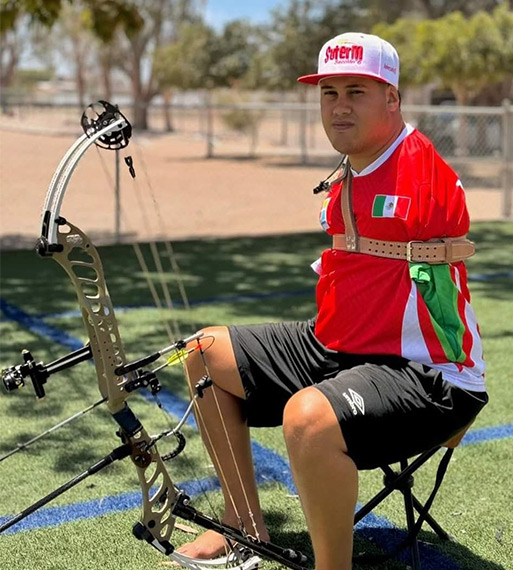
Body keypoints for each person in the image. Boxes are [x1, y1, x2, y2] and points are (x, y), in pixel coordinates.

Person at [173, 32, 487, 570]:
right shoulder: (350, 167)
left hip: (427, 373)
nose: (339, 105)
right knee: (202, 351)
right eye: (329, 93)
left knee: (309, 418)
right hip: (340, 348)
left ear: (392, 98)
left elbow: (444, 217)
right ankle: (241, 525)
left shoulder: (420, 168)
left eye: (356, 91)